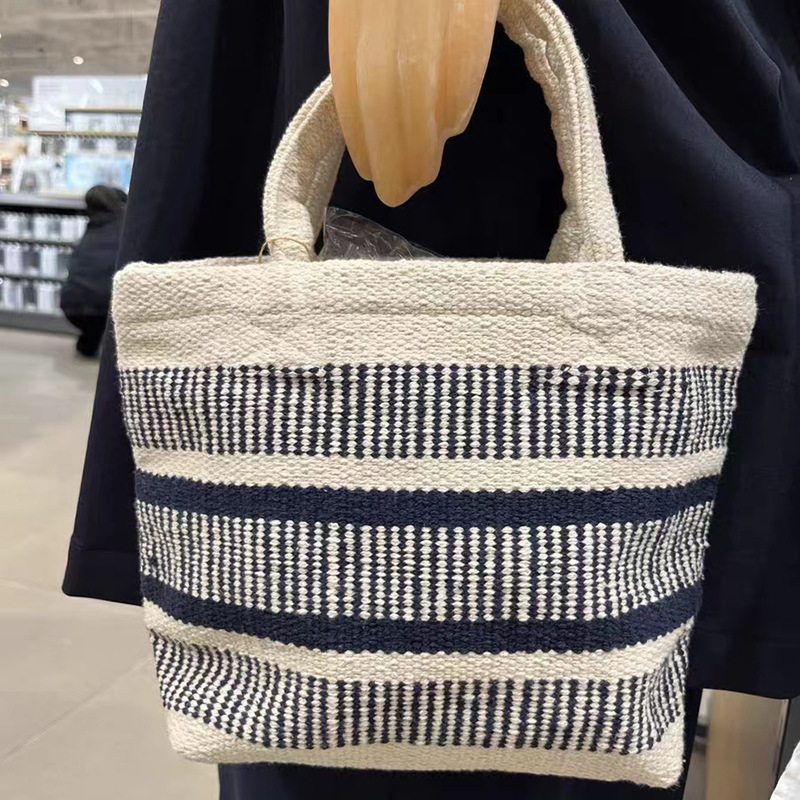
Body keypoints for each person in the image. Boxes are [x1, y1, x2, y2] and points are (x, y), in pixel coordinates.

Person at [60, 185, 127, 357]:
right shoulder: (125, 229)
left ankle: (88, 344)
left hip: (71, 305)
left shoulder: (92, 229)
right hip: (107, 307)